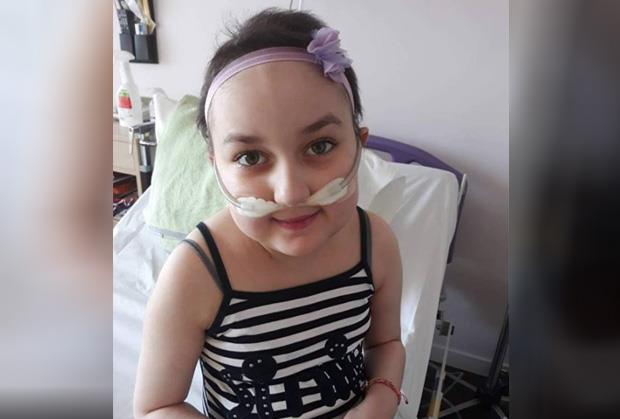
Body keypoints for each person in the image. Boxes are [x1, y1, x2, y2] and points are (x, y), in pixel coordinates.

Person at [134, 8, 405, 419]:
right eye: (250, 157)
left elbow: (386, 344)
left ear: (359, 145)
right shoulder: (197, 273)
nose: (291, 192)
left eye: (320, 146)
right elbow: (157, 407)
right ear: (216, 169)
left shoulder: (376, 244)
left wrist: (381, 400)